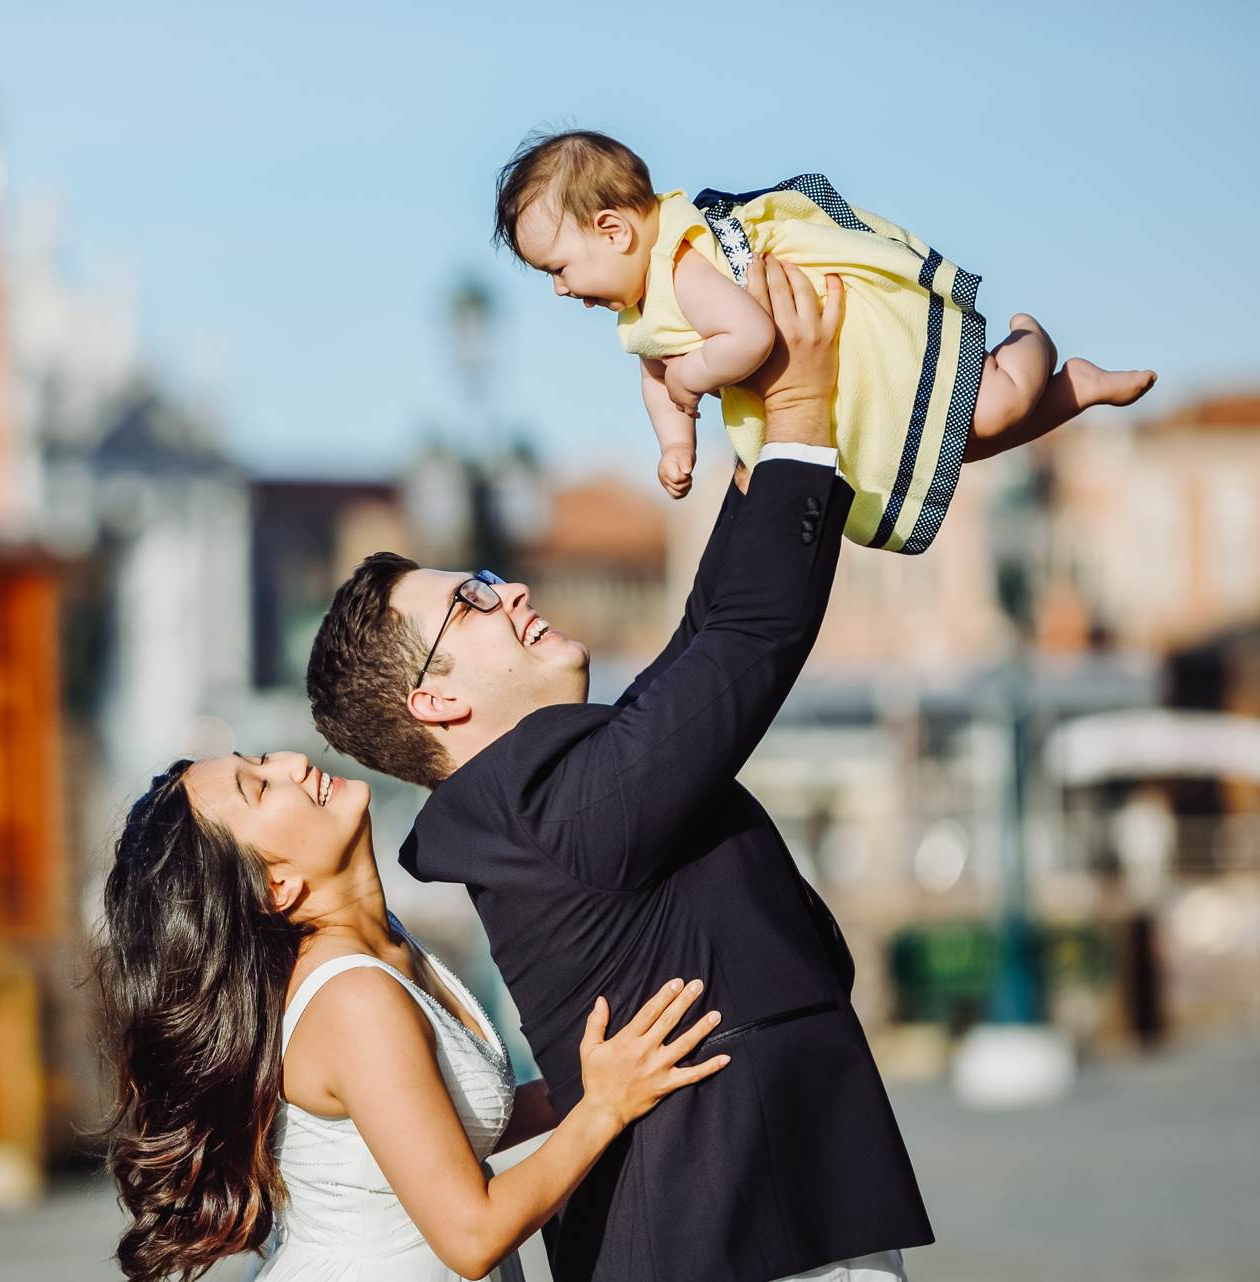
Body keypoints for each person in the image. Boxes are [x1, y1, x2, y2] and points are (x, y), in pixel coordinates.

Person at [306, 254, 930, 1282]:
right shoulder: (548, 808)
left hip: (753, 1221)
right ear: (436, 700)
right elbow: (743, 643)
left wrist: (761, 440)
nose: (509, 595)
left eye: (489, 578)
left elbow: (700, 639)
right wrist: (805, 408)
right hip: (740, 1240)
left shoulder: (540, 793)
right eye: (471, 603)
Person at [98, 752, 733, 1282]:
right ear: (275, 886)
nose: (293, 762)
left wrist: (602, 1080)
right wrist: (602, 1108)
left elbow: (437, 1130)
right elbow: (472, 1235)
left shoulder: (386, 945)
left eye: (262, 759)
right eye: (260, 786)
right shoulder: (353, 999)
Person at [494, 129, 1154, 552]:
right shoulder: (644, 304)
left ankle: (1027, 341)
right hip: (842, 385)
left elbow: (748, 335)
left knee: (994, 408)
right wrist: (676, 441)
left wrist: (693, 378)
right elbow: (656, 374)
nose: (559, 289)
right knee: (951, 450)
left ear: (613, 230)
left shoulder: (685, 266)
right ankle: (1076, 390)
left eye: (558, 268)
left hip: (870, 348)